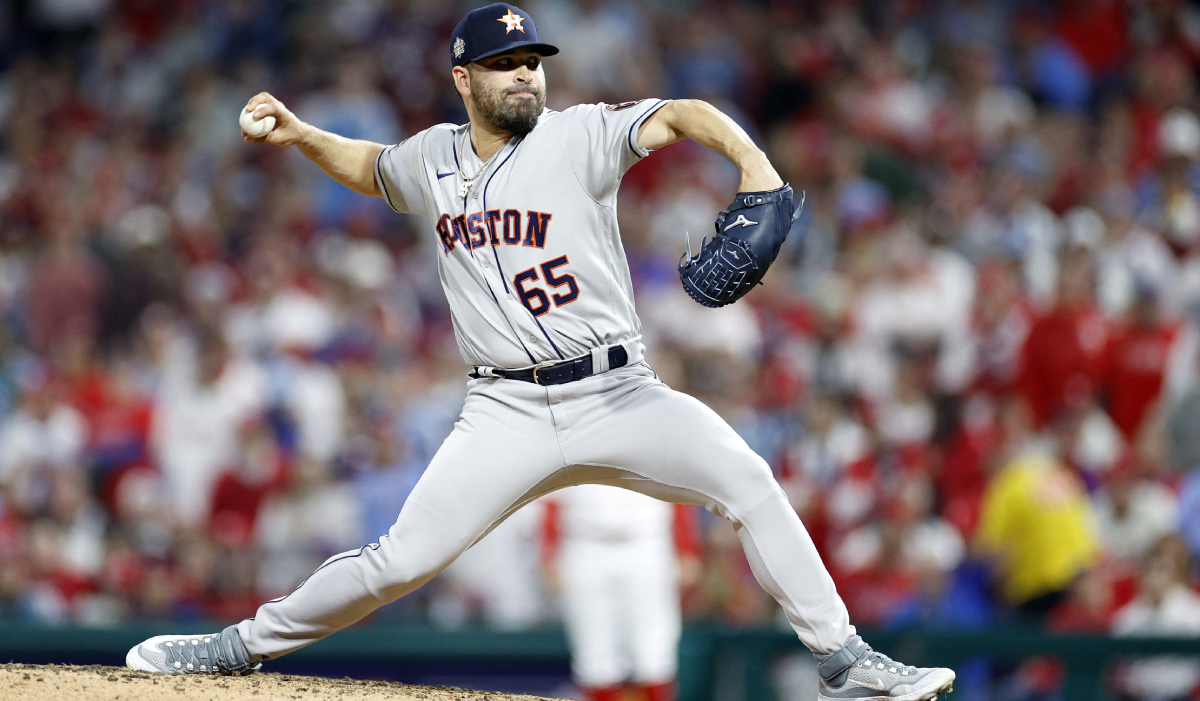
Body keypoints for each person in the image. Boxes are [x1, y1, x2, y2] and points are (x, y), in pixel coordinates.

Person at [124, 5, 955, 700]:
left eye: (530, 60)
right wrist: (304, 134)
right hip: (504, 411)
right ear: (464, 81)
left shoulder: (581, 136)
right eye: (502, 63)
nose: (523, 74)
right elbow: (374, 167)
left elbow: (679, 113)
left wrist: (755, 163)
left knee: (748, 480)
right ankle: (236, 647)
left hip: (618, 393)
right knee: (396, 563)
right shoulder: (434, 158)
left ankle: (844, 659)